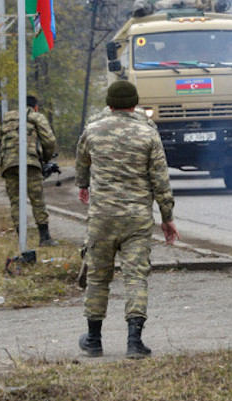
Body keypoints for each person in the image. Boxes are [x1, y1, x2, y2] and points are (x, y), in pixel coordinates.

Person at [76, 80, 178, 359]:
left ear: (109, 103)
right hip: (137, 219)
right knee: (136, 277)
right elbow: (160, 179)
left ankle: (94, 340)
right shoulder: (148, 133)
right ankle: (134, 342)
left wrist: (83, 185)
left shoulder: (92, 130)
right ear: (135, 103)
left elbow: (81, 161)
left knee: (98, 277)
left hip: (102, 218)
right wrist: (167, 217)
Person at [0, 94, 58, 246]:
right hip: (29, 162)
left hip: (8, 164)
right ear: (35, 106)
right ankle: (45, 238)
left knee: (16, 201)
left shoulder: (7, 118)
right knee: (37, 199)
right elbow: (49, 140)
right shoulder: (35, 116)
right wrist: (46, 158)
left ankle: (21, 238)